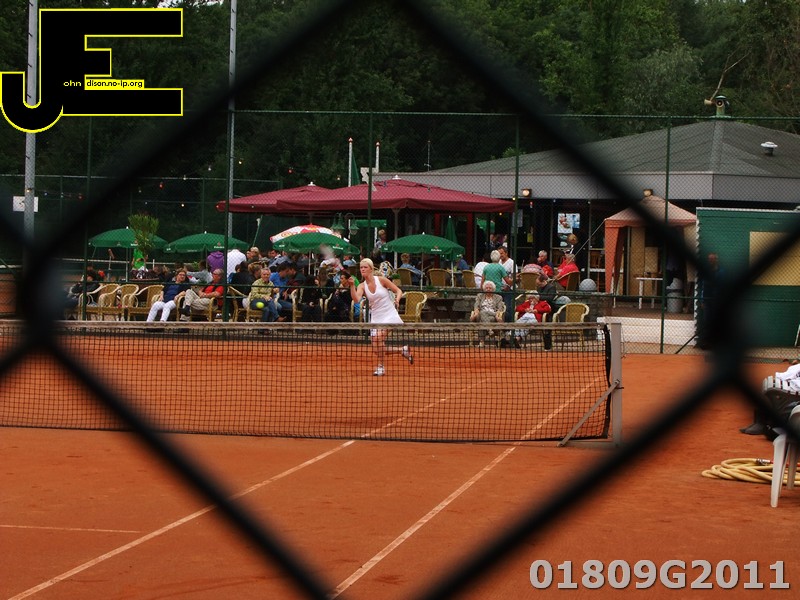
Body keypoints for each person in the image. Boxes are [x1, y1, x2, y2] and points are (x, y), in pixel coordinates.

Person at [342, 258, 413, 376]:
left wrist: (397, 299)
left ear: (371, 269)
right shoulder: (362, 286)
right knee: (377, 349)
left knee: (378, 338)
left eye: (365, 267)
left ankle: (381, 367)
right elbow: (356, 299)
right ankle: (402, 350)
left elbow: (398, 290)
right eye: (361, 267)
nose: (362, 269)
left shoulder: (381, 280)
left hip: (390, 315)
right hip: (376, 318)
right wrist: (352, 286)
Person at [740, 363, 800, 436]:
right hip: (793, 385)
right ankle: (759, 422)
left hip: (796, 390)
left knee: (770, 391)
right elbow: (791, 371)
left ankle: (762, 424)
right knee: (766, 388)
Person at [697, 252, 724, 349]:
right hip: (707, 300)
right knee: (706, 321)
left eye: (713, 259)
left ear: (716, 260)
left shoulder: (721, 272)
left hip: (717, 301)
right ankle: (707, 343)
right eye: (709, 259)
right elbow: (702, 286)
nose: (711, 261)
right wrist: (702, 300)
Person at [469, 280, 506, 347]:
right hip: (481, 315)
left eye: (490, 288)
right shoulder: (480, 296)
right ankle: (489, 329)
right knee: (482, 314)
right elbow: (476, 306)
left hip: (493, 315)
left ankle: (482, 342)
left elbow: (500, 308)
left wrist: (497, 315)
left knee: (481, 320)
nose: (488, 289)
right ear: (484, 289)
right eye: (486, 288)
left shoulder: (498, 297)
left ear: (493, 289)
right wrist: (476, 312)